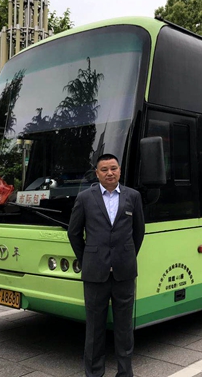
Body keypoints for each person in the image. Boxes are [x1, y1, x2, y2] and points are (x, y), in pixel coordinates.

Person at [68, 153, 145, 377]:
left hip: (124, 273)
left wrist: (126, 256)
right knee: (94, 329)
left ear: (119, 170)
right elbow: (74, 233)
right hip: (95, 273)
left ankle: (125, 372)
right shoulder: (85, 198)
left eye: (113, 168)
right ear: (97, 173)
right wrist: (87, 259)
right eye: (104, 169)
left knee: (124, 328)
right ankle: (94, 373)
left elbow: (139, 231)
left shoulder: (133, 196)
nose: (109, 173)